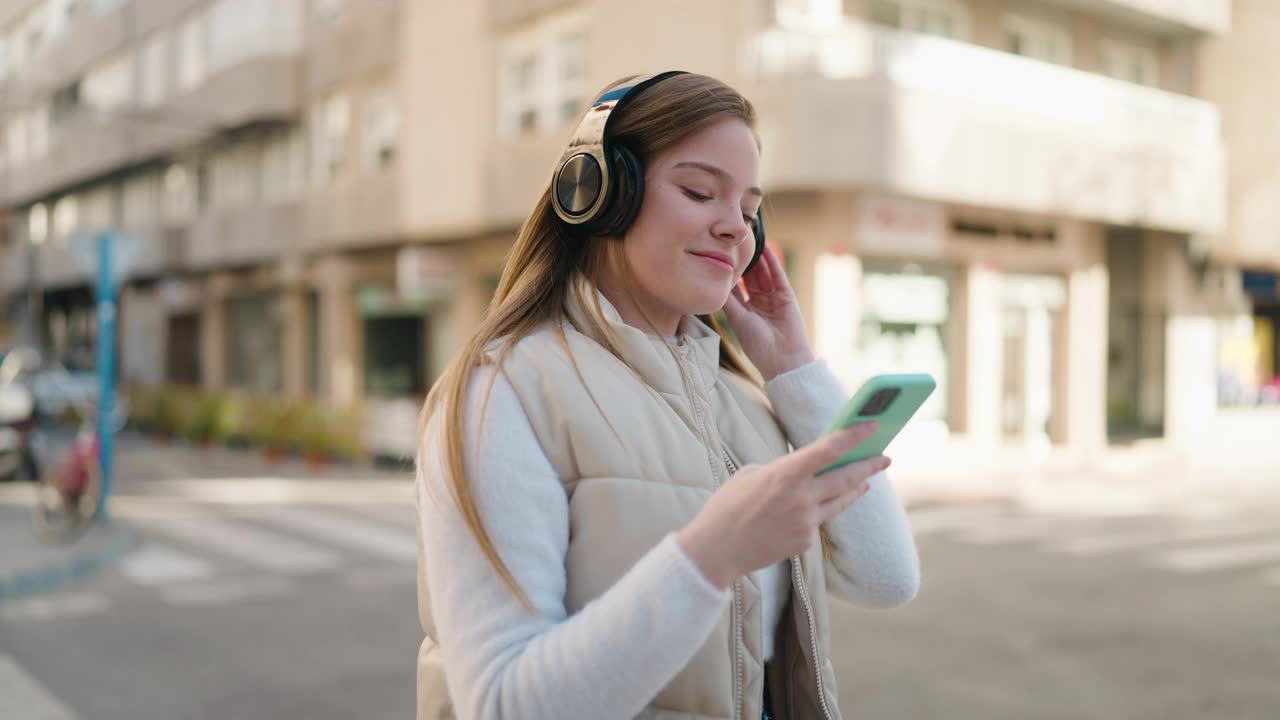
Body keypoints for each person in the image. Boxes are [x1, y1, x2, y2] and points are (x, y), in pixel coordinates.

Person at [414, 71, 920, 720]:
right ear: (600, 193)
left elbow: (885, 579)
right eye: (700, 191)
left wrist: (793, 369)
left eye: (748, 210)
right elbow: (506, 703)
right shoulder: (501, 394)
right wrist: (713, 553)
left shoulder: (742, 401)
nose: (735, 229)